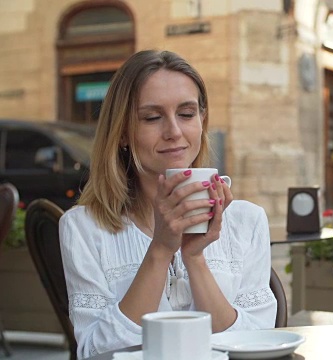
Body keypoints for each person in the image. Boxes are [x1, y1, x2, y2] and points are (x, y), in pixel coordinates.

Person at [59, 50, 277, 359]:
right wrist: (160, 251)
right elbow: (95, 351)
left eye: (187, 114)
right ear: (122, 131)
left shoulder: (246, 221)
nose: (174, 131)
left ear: (202, 121)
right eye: (152, 117)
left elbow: (256, 344)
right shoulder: (83, 228)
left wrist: (195, 258)